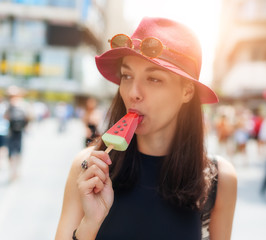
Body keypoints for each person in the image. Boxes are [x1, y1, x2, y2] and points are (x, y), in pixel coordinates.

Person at [55, 17, 237, 240]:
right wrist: (89, 225)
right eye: (127, 76)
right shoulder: (88, 168)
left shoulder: (220, 179)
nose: (133, 92)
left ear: (187, 92)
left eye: (154, 79)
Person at [4, 86, 30, 181]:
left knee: (15, 152)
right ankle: (14, 171)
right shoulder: (17, 105)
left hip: (14, 131)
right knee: (14, 152)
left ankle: (14, 171)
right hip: (14, 131)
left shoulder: (18, 105)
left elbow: (5, 117)